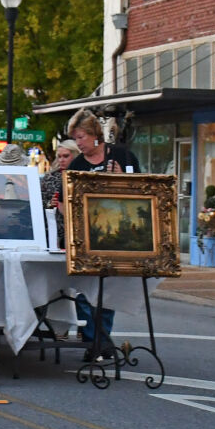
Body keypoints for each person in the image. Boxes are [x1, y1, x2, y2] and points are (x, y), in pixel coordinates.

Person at [64, 108, 139, 358]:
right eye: (75, 138)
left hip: (115, 234)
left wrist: (120, 179)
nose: (79, 143)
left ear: (95, 135)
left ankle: (100, 340)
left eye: (81, 137)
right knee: (84, 292)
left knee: (107, 294)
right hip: (85, 235)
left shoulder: (122, 156)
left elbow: (143, 190)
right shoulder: (78, 163)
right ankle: (95, 340)